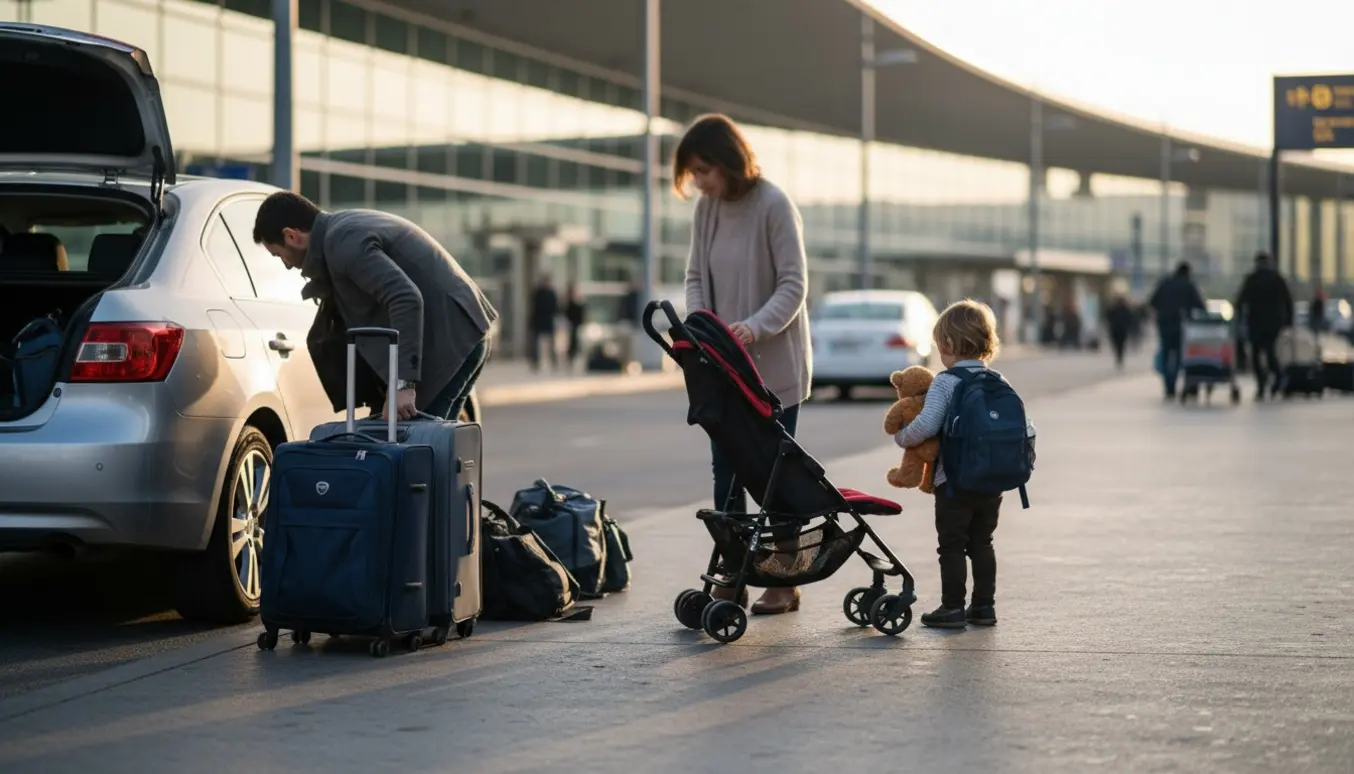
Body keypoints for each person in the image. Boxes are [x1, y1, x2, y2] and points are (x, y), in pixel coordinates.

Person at [678, 113, 812, 616]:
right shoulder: (707, 210)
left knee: (773, 474)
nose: (698, 182)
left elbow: (794, 286)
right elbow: (694, 275)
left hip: (774, 368)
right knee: (726, 474)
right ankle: (731, 575)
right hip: (722, 367)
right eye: (692, 174)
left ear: (730, 163)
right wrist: (701, 323)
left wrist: (752, 327)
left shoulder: (774, 205)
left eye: (704, 171)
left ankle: (784, 580)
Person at [252, 191, 497, 421]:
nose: (286, 265)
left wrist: (403, 384)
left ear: (292, 236)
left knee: (417, 447)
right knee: (435, 449)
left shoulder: (343, 243)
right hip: (462, 331)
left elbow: (405, 298)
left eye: (279, 254)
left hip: (451, 341)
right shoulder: (339, 231)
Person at [893, 299, 1033, 629]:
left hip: (955, 482)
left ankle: (952, 608)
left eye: (941, 344)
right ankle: (984, 607)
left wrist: (902, 436)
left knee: (952, 545)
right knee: (982, 543)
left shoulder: (946, 381)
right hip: (993, 481)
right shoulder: (999, 380)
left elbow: (926, 425)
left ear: (951, 344)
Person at [1234, 251, 1293, 401]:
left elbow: (1241, 301)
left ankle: (1262, 383)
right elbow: (1288, 301)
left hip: (1255, 322)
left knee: (1255, 354)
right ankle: (1278, 377)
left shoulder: (1252, 279)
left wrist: (1239, 318)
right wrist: (1289, 321)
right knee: (1270, 352)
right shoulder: (1277, 279)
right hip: (1274, 323)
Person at [1148, 261, 1206, 398]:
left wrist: (1163, 311)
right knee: (1180, 356)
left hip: (1165, 323)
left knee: (1167, 354)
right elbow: (1200, 306)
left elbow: (1152, 302)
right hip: (1182, 325)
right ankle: (1176, 381)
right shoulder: (1188, 285)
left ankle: (1169, 386)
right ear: (1187, 272)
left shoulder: (1165, 283)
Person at [529, 273, 559, 372]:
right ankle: (535, 362)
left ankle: (553, 360)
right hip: (539, 320)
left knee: (551, 342)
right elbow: (534, 307)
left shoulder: (551, 293)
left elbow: (555, 307)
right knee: (536, 342)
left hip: (548, 320)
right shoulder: (538, 293)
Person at [1106, 294, 1134, 369]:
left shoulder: (1114, 309)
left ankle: (1119, 356)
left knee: (1118, 344)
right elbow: (1130, 319)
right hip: (1121, 329)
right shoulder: (1123, 309)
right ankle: (1119, 356)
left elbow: (1108, 318)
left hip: (1117, 329)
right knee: (1120, 345)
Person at [564, 280, 585, 372]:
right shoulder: (569, 301)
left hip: (577, 324)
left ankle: (574, 359)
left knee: (576, 342)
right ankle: (569, 359)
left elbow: (582, 312)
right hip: (570, 324)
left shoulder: (579, 300)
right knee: (571, 343)